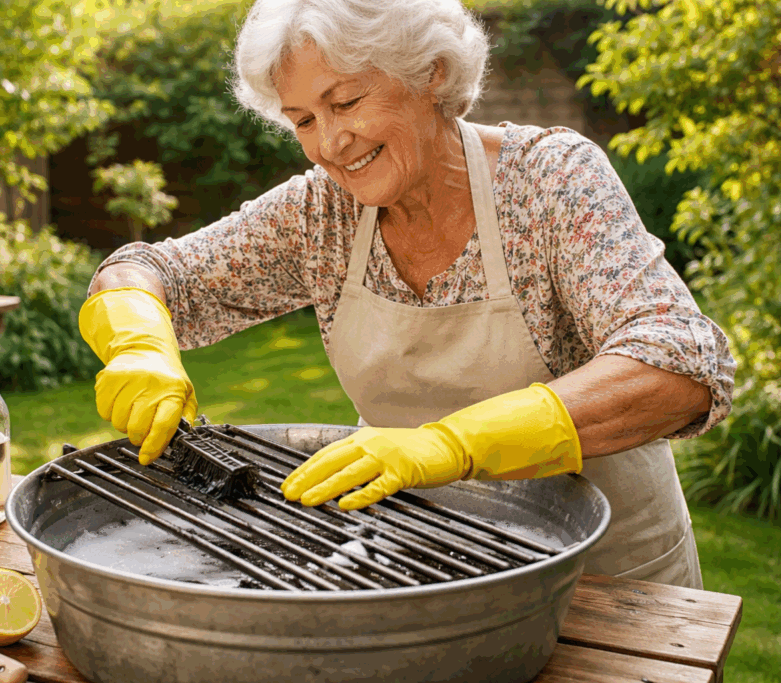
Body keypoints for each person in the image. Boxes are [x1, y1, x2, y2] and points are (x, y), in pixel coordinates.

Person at [78, 0, 735, 589]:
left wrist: (454, 445)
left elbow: (678, 365)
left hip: (606, 584)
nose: (329, 143)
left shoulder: (549, 181)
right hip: (422, 576)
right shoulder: (321, 215)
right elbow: (147, 267)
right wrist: (141, 347)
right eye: (303, 119)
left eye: (347, 102)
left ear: (431, 73)